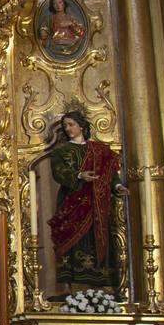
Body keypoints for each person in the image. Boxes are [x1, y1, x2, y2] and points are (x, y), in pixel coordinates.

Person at [47, 110, 120, 289]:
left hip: (97, 205)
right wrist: (79, 175)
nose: (68, 128)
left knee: (97, 238)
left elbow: (109, 173)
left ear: (81, 126)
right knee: (74, 241)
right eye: (65, 126)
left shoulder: (99, 150)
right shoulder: (61, 151)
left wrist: (118, 187)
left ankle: (102, 285)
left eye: (71, 124)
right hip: (73, 204)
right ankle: (75, 286)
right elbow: (59, 173)